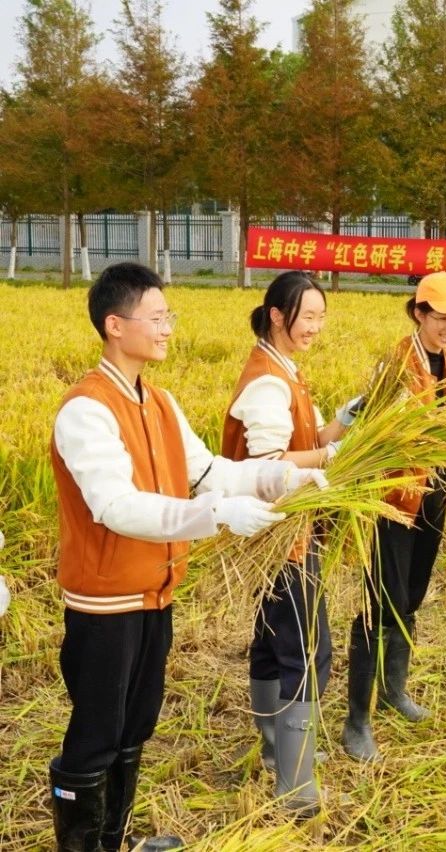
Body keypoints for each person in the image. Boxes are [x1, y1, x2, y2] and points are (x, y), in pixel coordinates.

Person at [49, 262, 318, 851]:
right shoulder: (87, 410)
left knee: (134, 728)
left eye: (170, 316)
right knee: (96, 735)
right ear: (115, 325)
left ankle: (112, 841)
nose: (169, 328)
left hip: (155, 591)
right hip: (104, 602)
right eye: (158, 316)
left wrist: (287, 479)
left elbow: (209, 472)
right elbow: (115, 506)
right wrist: (215, 516)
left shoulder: (160, 403)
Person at [222, 271, 358, 817]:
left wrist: (346, 422)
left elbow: (308, 441)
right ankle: (297, 787)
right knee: (307, 649)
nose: (316, 327)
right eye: (308, 317)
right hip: (282, 538)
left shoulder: (284, 372)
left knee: (273, 642)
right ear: (277, 315)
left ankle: (279, 752)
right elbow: (268, 462)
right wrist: (328, 460)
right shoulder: (267, 383)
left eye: (322, 317)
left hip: (282, 532)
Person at [342, 272, 446, 763]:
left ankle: (395, 690)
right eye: (442, 317)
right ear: (418, 313)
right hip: (394, 500)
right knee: (381, 603)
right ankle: (357, 720)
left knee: (411, 597)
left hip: (434, 496)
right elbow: (374, 433)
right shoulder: (395, 365)